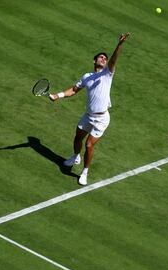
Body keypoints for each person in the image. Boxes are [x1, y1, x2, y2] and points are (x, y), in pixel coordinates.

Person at [49, 32, 130, 185]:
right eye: (101, 57)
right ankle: (75, 157)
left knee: (89, 144)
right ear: (94, 60)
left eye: (105, 59)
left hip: (101, 119)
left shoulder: (107, 74)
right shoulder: (87, 76)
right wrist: (57, 95)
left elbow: (113, 59)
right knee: (78, 136)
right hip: (88, 115)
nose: (104, 59)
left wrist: (119, 44)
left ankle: (84, 172)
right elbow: (73, 90)